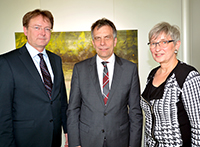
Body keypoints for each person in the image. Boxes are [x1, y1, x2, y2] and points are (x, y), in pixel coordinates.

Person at [67, 18, 143, 147]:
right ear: (93, 42)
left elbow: (135, 112)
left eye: (107, 37)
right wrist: (75, 143)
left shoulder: (130, 69)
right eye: (98, 38)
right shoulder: (80, 69)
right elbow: (73, 109)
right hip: (88, 140)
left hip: (120, 140)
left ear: (115, 41)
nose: (102, 43)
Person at [0, 9, 68, 147]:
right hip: (24, 140)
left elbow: (61, 101)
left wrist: (67, 130)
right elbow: (3, 111)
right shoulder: (7, 62)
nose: (43, 33)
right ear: (25, 30)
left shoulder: (56, 60)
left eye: (47, 29)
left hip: (54, 139)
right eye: (37, 27)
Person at [141, 22, 200, 147]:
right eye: (153, 43)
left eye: (163, 42)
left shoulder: (188, 76)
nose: (157, 48)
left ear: (176, 45)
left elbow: (198, 126)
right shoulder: (152, 74)